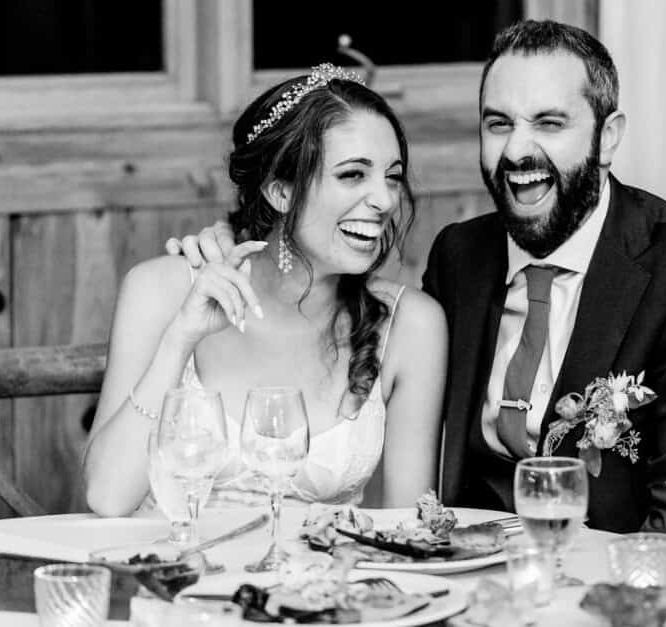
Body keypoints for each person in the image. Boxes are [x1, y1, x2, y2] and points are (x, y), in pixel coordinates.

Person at [171, 21, 666, 584]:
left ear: (607, 137)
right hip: (473, 587)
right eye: (498, 124)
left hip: (638, 592)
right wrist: (243, 248)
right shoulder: (462, 257)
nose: (518, 152)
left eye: (550, 123)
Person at [84, 64, 447, 517]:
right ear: (280, 191)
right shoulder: (160, 290)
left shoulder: (411, 325)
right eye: (354, 175)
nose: (386, 200)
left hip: (316, 585)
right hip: (168, 576)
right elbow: (106, 497)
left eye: (392, 176)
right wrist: (181, 339)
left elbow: (409, 528)